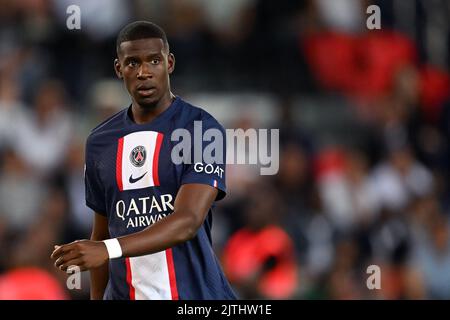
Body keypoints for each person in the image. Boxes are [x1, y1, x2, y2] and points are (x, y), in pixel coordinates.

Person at [50, 21, 236, 300]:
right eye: (132, 63)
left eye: (154, 61)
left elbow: (187, 221)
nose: (144, 72)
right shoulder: (100, 141)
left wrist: (108, 249)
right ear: (118, 69)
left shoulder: (201, 129)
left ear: (169, 63)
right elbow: (101, 233)